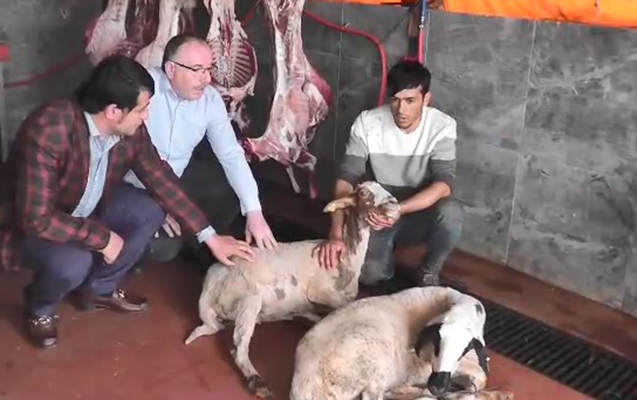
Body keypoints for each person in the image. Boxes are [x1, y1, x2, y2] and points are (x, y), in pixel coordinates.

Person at [0, 55, 255, 349]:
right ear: (112, 111)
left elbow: (160, 177)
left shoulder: (129, 129)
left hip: (89, 206)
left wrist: (210, 237)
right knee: (73, 263)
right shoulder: (50, 129)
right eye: (142, 109)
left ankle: (98, 290)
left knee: (150, 208)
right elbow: (36, 219)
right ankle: (40, 309)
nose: (147, 116)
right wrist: (102, 238)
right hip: (34, 224)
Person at [124, 34, 277, 264]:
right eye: (197, 70)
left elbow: (231, 154)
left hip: (175, 178)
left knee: (231, 190)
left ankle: (202, 244)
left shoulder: (210, 100)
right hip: (133, 184)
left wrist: (254, 212)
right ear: (171, 69)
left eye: (208, 69)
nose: (206, 79)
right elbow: (125, 158)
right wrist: (158, 204)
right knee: (164, 249)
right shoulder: (144, 90)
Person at [315, 59, 464, 288]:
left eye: (410, 101)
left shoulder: (442, 126)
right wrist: (335, 233)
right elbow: (345, 179)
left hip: (418, 211)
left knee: (451, 212)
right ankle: (384, 256)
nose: (401, 110)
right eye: (395, 100)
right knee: (369, 277)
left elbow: (444, 184)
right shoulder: (367, 122)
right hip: (379, 213)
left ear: (426, 99)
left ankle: (428, 271)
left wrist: (400, 209)